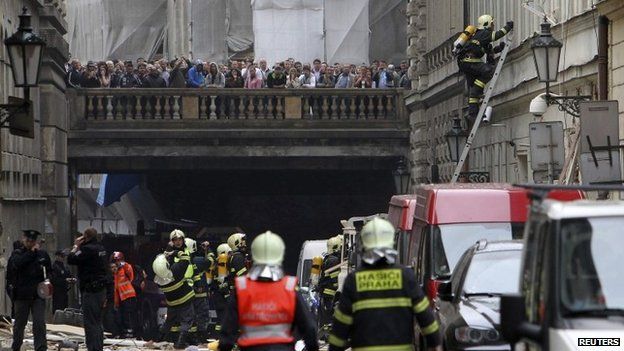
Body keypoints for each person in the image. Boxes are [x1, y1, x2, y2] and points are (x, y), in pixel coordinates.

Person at [328, 218, 442, 351]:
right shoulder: (406, 277)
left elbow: (340, 328)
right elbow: (426, 319)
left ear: (363, 246)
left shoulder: (353, 281)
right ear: (392, 244)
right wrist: (434, 343)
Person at [219, 231, 319, 351]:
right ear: (280, 254)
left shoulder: (241, 288)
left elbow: (227, 331)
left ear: (254, 253)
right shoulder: (289, 287)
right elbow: (309, 328)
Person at [454, 15, 513, 122]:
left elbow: (489, 51)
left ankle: (473, 114)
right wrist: (508, 27)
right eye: (492, 24)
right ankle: (477, 91)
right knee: (489, 71)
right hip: (470, 62)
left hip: (465, 63)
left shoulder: (478, 36)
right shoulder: (484, 33)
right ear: (487, 24)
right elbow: (497, 35)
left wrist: (499, 48)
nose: (493, 26)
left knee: (474, 93)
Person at [67, 228, 113, 351]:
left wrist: (76, 246)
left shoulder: (86, 249)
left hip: (91, 290)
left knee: (90, 322)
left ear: (85, 237)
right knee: (97, 321)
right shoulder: (101, 249)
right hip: (101, 289)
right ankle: (98, 347)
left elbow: (71, 259)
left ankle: (93, 348)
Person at [7, 230, 52, 351]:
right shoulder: (17, 253)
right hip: (21, 295)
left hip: (38, 294)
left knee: (39, 322)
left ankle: (41, 347)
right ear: (23, 240)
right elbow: (18, 264)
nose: (30, 243)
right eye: (28, 240)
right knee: (20, 324)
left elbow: (49, 270)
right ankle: (16, 346)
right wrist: (31, 253)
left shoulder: (42, 254)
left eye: (32, 241)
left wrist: (48, 282)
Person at [157, 229, 195, 349]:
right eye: (175, 240)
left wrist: (169, 252)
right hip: (183, 293)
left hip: (172, 295)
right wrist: (170, 252)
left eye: (180, 239)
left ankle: (160, 339)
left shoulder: (183, 252)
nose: (178, 242)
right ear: (172, 241)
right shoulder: (173, 254)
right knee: (186, 320)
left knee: (170, 320)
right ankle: (179, 343)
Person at [317, 235, 341, 339]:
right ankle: (328, 337)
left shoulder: (328, 258)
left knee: (326, 317)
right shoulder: (334, 261)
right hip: (330, 293)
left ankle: (326, 336)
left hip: (326, 293)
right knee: (331, 317)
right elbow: (335, 280)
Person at [111, 251, 137, 338]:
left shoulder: (125, 268)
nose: (116, 263)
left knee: (128, 315)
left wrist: (124, 264)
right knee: (121, 316)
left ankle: (131, 332)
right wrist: (116, 302)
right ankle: (124, 333)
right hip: (122, 298)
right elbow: (116, 289)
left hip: (129, 296)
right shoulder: (116, 273)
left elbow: (131, 275)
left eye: (117, 261)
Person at [210, 243, 231, 338]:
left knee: (221, 317)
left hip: (217, 295)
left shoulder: (217, 263)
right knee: (223, 317)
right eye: (229, 253)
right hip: (220, 296)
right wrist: (227, 295)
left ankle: (218, 337)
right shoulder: (222, 264)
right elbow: (222, 283)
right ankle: (218, 337)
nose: (231, 255)